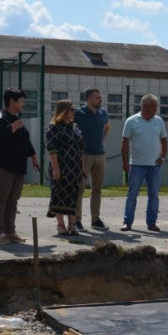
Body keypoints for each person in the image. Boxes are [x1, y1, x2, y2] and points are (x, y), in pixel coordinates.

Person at [0, 88, 40, 245]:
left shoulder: (16, 118)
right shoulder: (0, 117)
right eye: (21, 101)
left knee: (13, 199)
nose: (23, 104)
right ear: (12, 102)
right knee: (0, 199)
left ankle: (10, 231)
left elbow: (25, 140)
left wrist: (33, 156)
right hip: (2, 166)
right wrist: (13, 127)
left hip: (17, 167)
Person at [120, 94, 168, 232]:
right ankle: (127, 222)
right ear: (146, 107)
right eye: (155, 107)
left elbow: (164, 140)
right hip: (136, 165)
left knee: (153, 194)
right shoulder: (131, 121)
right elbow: (124, 143)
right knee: (132, 194)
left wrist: (163, 156)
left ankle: (151, 223)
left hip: (154, 165)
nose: (157, 110)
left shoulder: (159, 121)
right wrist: (125, 162)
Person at [46, 99, 85, 235]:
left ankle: (72, 225)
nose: (73, 112)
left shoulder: (75, 127)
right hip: (61, 168)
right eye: (71, 110)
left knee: (73, 195)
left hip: (75, 169)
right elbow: (52, 150)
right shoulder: (54, 128)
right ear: (63, 111)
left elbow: (81, 149)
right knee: (59, 194)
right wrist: (56, 169)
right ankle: (60, 225)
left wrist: (83, 168)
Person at [73, 88, 110, 232]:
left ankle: (95, 219)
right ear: (88, 98)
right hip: (83, 155)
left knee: (97, 189)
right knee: (80, 188)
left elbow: (107, 126)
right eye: (97, 97)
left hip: (100, 154)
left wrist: (102, 140)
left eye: (100, 97)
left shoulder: (103, 113)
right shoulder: (78, 113)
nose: (100, 99)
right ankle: (77, 220)